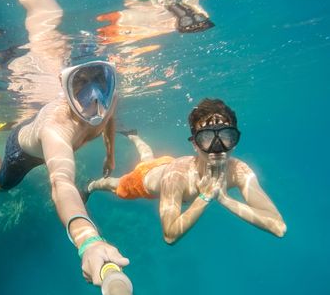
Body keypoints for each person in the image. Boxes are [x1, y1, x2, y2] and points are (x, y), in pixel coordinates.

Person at [0, 0, 129, 286]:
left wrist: (111, 155)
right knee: (1, 185)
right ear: (65, 89)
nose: (94, 99)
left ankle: (18, 120)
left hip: (42, 140)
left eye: (100, 83)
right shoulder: (56, 128)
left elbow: (110, 121)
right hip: (23, 152)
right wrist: (88, 240)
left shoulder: (109, 99)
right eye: (80, 85)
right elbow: (61, 183)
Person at [86, 98, 287, 243]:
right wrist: (205, 197)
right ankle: (91, 186)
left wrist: (225, 199)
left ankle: (133, 137)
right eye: (207, 138)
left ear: (234, 142)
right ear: (195, 145)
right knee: (114, 184)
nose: (217, 147)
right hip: (143, 179)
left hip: (165, 164)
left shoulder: (239, 171)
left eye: (226, 136)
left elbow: (278, 227)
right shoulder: (176, 178)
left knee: (148, 157)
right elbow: (169, 235)